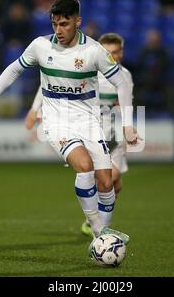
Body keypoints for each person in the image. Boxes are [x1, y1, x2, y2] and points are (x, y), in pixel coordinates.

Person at [0, 0, 139, 254]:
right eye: (54, 24)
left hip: (89, 121)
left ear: (78, 21)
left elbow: (121, 83)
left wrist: (128, 125)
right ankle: (100, 234)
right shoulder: (41, 46)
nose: (58, 30)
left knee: (106, 182)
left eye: (64, 24)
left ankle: (102, 233)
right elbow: (13, 69)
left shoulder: (94, 51)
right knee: (84, 167)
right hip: (57, 121)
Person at [25, 32, 135, 238]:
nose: (112, 56)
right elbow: (50, 81)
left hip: (110, 134)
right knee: (108, 175)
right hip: (87, 131)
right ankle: (99, 232)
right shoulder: (89, 69)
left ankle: (97, 224)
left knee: (115, 184)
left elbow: (124, 99)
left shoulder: (124, 76)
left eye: (116, 52)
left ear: (121, 53)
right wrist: (35, 109)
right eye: (107, 52)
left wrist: (128, 124)